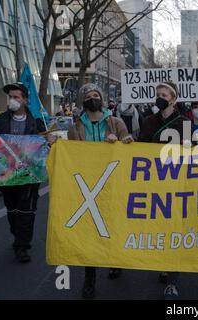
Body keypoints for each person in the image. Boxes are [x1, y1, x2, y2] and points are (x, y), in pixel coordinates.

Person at [67, 83, 134, 299]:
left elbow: (131, 149)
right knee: (89, 230)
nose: (93, 98)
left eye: (96, 95)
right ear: (83, 101)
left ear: (102, 100)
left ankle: (115, 260)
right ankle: (90, 276)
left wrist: (123, 143)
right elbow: (71, 155)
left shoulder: (116, 122)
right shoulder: (75, 127)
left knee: (112, 225)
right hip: (87, 184)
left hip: (113, 183)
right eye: (88, 96)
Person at [0, 82, 54, 263]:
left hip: (29, 175)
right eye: (10, 97)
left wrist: (50, 139)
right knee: (12, 209)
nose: (12, 100)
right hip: (7, 176)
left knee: (26, 211)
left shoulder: (37, 121)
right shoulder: (0, 121)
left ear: (24, 100)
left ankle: (23, 246)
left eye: (16, 97)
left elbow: (46, 143)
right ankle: (17, 234)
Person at [139, 82, 191, 299]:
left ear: (173, 99)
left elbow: (190, 152)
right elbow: (139, 150)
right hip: (155, 184)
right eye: (157, 94)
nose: (159, 97)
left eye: (164, 94)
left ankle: (173, 280)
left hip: (177, 184)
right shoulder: (149, 121)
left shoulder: (184, 122)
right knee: (159, 228)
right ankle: (163, 263)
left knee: (175, 229)